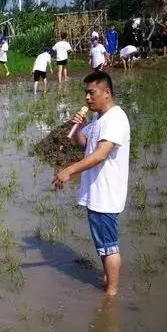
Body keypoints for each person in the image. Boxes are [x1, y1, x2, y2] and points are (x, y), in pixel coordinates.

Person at [52, 71, 130, 297]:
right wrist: (78, 128)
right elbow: (85, 144)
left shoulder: (115, 118)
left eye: (91, 93)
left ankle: (111, 295)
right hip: (97, 193)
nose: (87, 98)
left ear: (107, 93)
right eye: (85, 93)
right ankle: (108, 279)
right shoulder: (99, 119)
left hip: (106, 194)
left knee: (109, 246)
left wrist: (69, 170)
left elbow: (100, 154)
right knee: (104, 245)